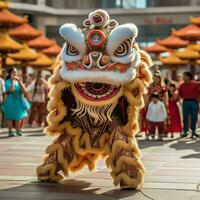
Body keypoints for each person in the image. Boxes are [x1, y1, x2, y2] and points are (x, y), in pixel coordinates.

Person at [2, 68, 28, 136]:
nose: (15, 74)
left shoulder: (19, 81)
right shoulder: (7, 82)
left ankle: (18, 130)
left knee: (18, 116)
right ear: (10, 74)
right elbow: (11, 90)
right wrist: (13, 81)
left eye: (16, 72)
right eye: (14, 72)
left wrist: (20, 82)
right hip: (10, 101)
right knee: (10, 117)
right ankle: (10, 131)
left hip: (18, 101)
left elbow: (24, 91)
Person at [179, 71, 200, 138]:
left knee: (194, 117)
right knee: (185, 117)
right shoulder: (182, 85)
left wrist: (198, 100)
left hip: (194, 102)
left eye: (184, 76)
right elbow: (180, 94)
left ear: (188, 77)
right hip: (185, 102)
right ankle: (185, 131)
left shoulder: (195, 84)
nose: (183, 77)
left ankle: (193, 131)